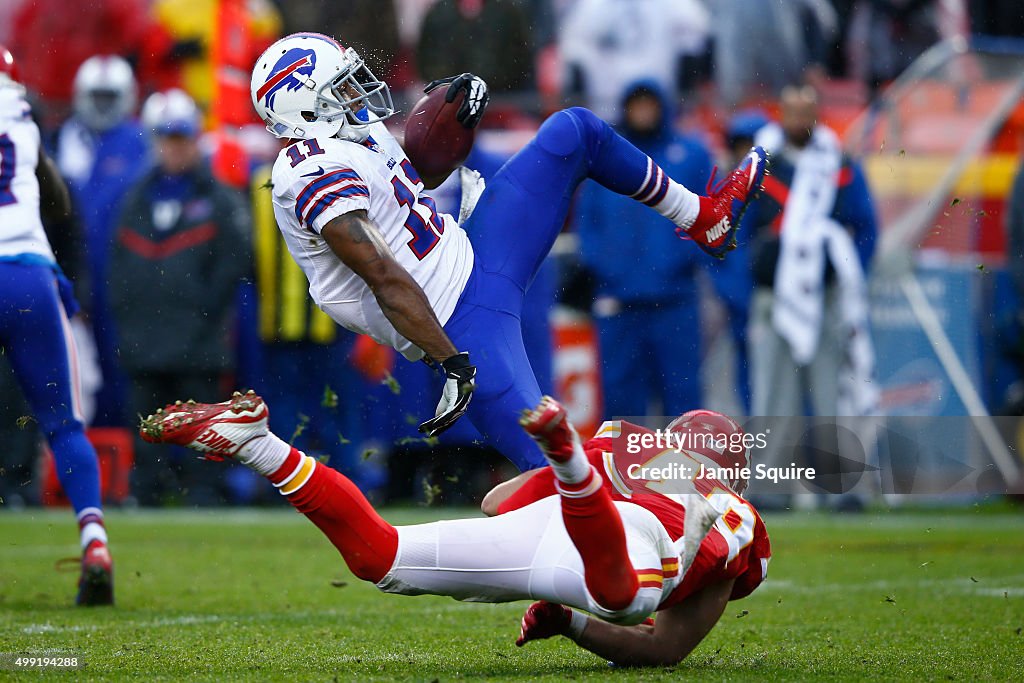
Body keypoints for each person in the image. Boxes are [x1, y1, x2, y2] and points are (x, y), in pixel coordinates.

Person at [248, 32, 767, 472]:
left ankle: (703, 218)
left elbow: (413, 181)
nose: (359, 90)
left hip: (479, 251)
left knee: (574, 131)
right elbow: (382, 273)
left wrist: (452, 130)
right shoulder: (307, 170)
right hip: (459, 324)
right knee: (558, 469)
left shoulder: (354, 133)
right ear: (306, 105)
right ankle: (582, 580)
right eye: (342, 85)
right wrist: (452, 362)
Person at [138, 391, 769, 665]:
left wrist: (564, 613)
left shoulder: (625, 444)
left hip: (564, 523)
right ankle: (568, 462)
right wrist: (579, 621)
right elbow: (664, 649)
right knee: (627, 598)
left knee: (380, 558)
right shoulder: (734, 513)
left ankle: (259, 446)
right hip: (621, 540)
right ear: (731, 475)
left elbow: (497, 502)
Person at [0, 45, 113, 605]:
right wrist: (57, 276)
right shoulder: (21, 119)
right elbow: (51, 198)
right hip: (28, 275)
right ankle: (94, 538)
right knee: (63, 426)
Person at [110, 89, 251, 505]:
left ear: (195, 139)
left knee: (203, 424)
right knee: (147, 425)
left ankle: (204, 492)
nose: (174, 148)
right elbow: (118, 268)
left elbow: (234, 262)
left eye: (181, 138)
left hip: (199, 340)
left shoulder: (220, 199)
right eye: (166, 139)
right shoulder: (134, 199)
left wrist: (201, 310)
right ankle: (148, 491)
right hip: (145, 340)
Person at [575, 80, 716, 416]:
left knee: (683, 403)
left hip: (674, 300)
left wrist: (680, 261)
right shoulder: (603, 162)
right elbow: (587, 225)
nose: (643, 112)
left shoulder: (690, 154)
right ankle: (625, 471)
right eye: (636, 104)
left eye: (649, 104)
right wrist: (608, 269)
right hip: (619, 303)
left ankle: (688, 469)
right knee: (621, 407)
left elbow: (710, 216)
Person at [745, 85, 878, 421]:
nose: (799, 120)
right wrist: (746, 281)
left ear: (817, 116)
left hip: (825, 297)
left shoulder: (838, 163)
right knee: (773, 407)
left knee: (831, 402)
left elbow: (865, 227)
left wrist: (844, 272)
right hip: (772, 297)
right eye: (793, 112)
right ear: (780, 114)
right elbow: (733, 228)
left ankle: (837, 474)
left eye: (807, 113)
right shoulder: (758, 165)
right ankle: (772, 476)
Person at [55, 55, 149, 427]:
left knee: (122, 360)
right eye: (97, 97)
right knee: (79, 364)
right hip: (77, 270)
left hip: (124, 270)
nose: (102, 106)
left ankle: (125, 451)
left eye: (111, 97)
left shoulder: (138, 141)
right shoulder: (67, 137)